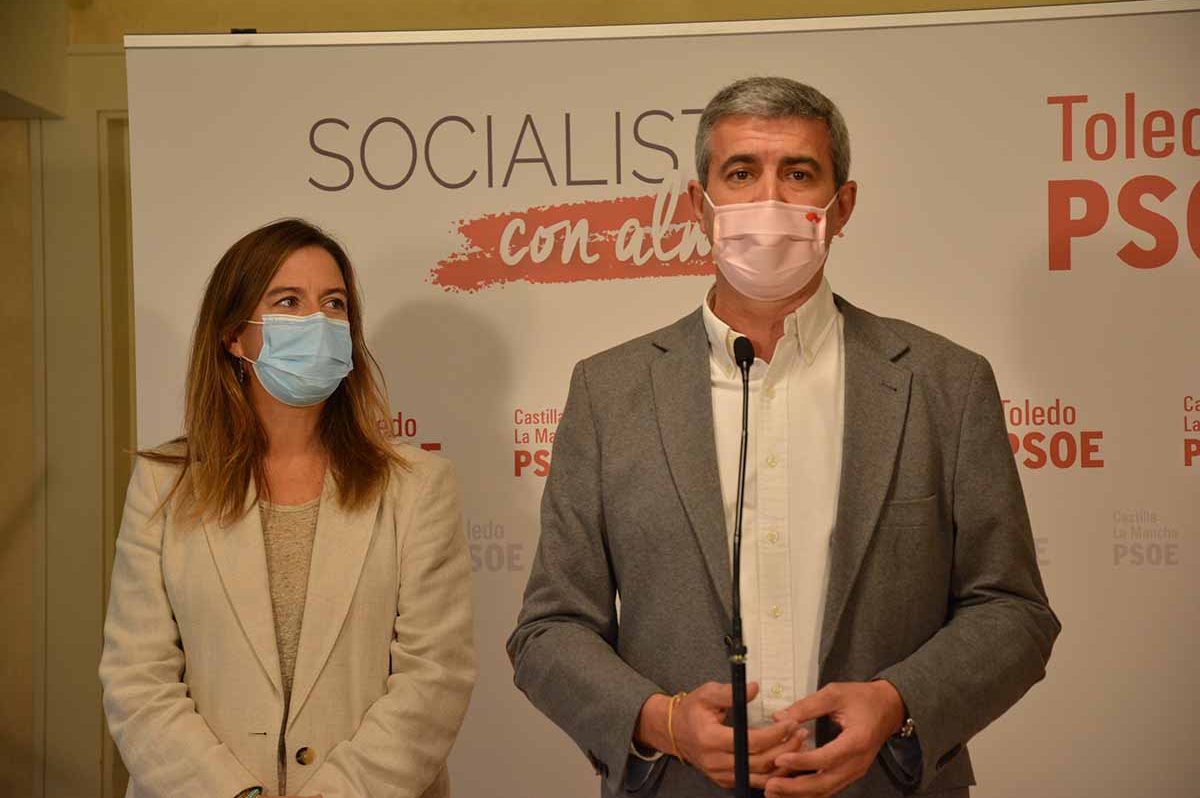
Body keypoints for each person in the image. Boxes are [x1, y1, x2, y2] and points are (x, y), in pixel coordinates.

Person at [507, 77, 1059, 798]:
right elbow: (547, 632)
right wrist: (664, 721)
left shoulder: (944, 385)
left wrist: (897, 703)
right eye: (741, 174)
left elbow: (1014, 612)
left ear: (841, 206)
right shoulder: (608, 394)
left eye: (798, 174)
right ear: (698, 207)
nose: (768, 201)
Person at [100, 219, 476, 798]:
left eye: (333, 303)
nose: (319, 322)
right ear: (233, 335)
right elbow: (136, 680)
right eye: (288, 302)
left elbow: (435, 679)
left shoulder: (419, 485)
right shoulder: (163, 485)